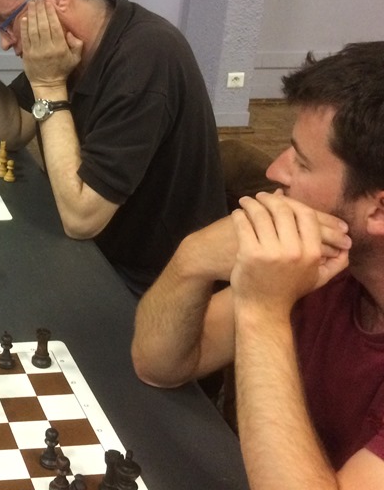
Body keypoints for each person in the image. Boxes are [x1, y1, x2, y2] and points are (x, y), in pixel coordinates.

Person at [132, 42, 384, 488]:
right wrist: (193, 258)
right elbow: (159, 365)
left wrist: (264, 311)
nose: (275, 171)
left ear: (378, 211)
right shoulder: (324, 257)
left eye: (301, 162)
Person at [0, 0, 225, 294]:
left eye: (6, 21)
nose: (4, 41)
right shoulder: (70, 47)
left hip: (151, 284)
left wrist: (49, 86)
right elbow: (13, 130)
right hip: (98, 252)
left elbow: (81, 219)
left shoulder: (145, 58)